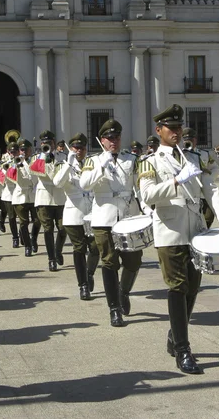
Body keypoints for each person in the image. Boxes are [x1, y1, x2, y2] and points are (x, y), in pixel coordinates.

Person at [138, 104, 219, 374]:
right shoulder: (149, 161)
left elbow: (211, 189)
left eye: (178, 128)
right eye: (170, 128)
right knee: (177, 287)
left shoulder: (194, 158)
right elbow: (147, 196)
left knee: (193, 288)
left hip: (196, 232)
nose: (176, 132)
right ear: (158, 130)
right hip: (170, 232)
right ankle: (183, 349)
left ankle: (175, 334)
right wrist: (175, 182)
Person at [80, 119, 147, 327]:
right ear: (102, 140)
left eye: (116, 137)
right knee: (109, 262)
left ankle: (123, 292)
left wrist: (147, 209)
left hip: (129, 218)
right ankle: (114, 309)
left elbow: (140, 185)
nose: (114, 142)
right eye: (110, 138)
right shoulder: (94, 160)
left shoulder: (131, 159)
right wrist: (103, 164)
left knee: (134, 261)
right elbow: (85, 184)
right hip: (104, 218)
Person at [53, 133, 100, 300]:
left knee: (95, 248)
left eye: (82, 148)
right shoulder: (62, 165)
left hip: (93, 213)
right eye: (76, 148)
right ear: (71, 149)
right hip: (73, 214)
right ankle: (83, 285)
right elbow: (57, 183)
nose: (79, 150)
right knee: (79, 248)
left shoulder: (92, 163)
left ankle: (89, 273)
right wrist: (68, 163)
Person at [31, 130, 68, 271]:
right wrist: (44, 158)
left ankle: (58, 250)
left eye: (49, 143)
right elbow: (39, 175)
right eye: (44, 143)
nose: (47, 145)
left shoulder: (63, 156)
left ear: (54, 143)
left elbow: (63, 175)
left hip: (60, 197)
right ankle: (51, 259)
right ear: (41, 144)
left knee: (63, 228)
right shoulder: (36, 159)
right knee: (48, 229)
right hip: (44, 197)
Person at [182, 127, 219, 227]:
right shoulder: (179, 154)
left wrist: (208, 179)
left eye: (191, 139)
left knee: (208, 217)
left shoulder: (204, 154)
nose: (189, 141)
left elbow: (216, 168)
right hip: (189, 194)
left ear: (195, 140)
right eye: (186, 140)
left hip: (203, 193)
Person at [12, 140, 40, 257]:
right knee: (23, 222)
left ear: (30, 150)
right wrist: (17, 165)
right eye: (22, 150)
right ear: (19, 151)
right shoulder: (15, 161)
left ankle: (33, 238)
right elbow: (10, 176)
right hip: (20, 195)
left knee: (38, 220)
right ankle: (27, 246)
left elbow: (36, 175)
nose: (24, 152)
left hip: (33, 195)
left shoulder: (35, 160)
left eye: (26, 149)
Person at [0, 142, 21, 248]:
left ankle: (23, 233)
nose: (13, 154)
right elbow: (1, 179)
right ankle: (15, 238)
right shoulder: (5, 163)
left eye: (15, 152)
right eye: (11, 152)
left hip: (21, 193)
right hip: (9, 194)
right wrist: (5, 168)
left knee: (23, 218)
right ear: (8, 152)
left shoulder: (23, 161)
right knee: (12, 218)